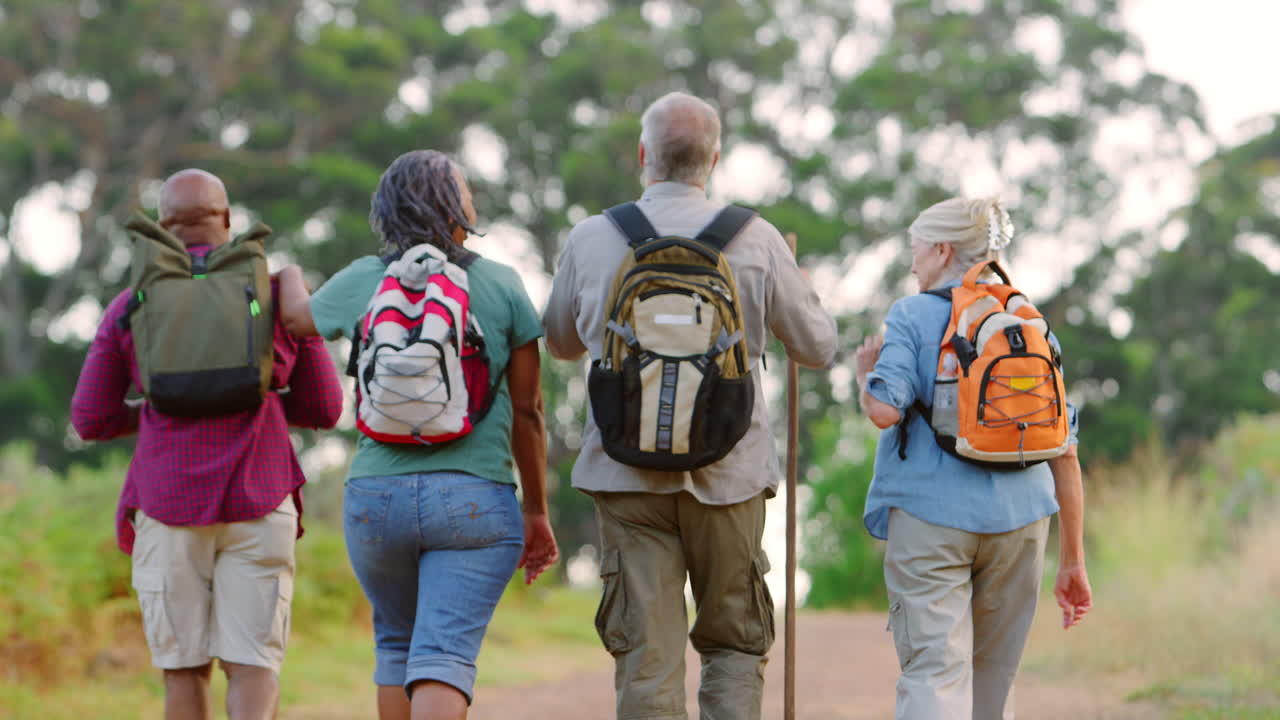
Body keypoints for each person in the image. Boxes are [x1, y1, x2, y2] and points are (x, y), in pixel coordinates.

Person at [542, 91, 838, 720]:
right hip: (729, 477)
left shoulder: (594, 236)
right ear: (714, 159)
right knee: (734, 643)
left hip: (625, 475)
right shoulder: (754, 238)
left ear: (643, 155)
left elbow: (563, 345)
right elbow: (818, 348)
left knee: (647, 658)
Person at [276, 149, 559, 720]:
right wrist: (535, 511)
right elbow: (528, 413)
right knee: (443, 655)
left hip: (375, 500)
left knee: (396, 648)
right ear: (456, 208)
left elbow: (294, 320)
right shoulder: (503, 285)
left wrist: (283, 277)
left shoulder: (365, 279)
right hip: (475, 498)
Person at [71, 169, 345, 720]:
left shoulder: (132, 304)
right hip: (257, 498)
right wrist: (262, 400)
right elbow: (325, 408)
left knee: (184, 670)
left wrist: (158, 409)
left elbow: (90, 418)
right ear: (226, 219)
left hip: (168, 506)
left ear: (164, 229)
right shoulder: (273, 297)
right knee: (252, 666)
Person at [853, 196, 1093, 720]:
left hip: (930, 519)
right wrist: (1072, 560)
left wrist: (864, 376)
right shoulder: (1027, 320)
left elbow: (883, 413)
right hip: (1024, 522)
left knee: (934, 674)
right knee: (995, 681)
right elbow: (1066, 452)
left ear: (942, 250)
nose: (912, 262)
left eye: (916, 250)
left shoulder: (913, 314)